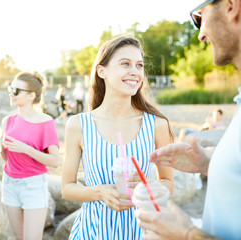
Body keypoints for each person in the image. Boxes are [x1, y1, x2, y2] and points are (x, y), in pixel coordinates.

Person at [135, 0, 241, 239]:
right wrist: (209, 164)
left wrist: (187, 234)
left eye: (199, 18)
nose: (201, 35)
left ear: (231, 6)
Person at [61, 36, 174, 239]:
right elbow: (67, 188)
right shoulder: (78, 125)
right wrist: (99, 193)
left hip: (141, 232)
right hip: (92, 232)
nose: (135, 72)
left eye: (139, 65)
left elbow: (168, 183)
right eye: (125, 64)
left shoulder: (156, 125)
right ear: (101, 71)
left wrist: (147, 187)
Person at [0, 71, 60, 240]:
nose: (10, 93)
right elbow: (7, 159)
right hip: (9, 184)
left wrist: (26, 149)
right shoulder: (7, 121)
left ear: (31, 96)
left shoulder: (45, 122)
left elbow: (55, 161)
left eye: (15, 90)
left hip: (33, 186)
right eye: (10, 88)